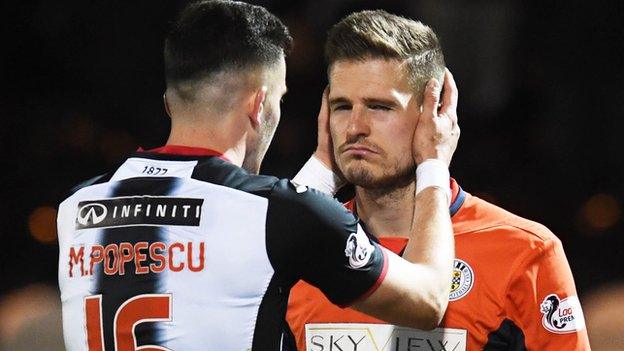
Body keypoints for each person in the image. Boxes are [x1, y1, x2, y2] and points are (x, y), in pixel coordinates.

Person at [56, 1, 460, 350]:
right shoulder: (275, 213)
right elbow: (426, 301)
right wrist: (432, 165)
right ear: (259, 104)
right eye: (279, 99)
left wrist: (322, 166)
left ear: (169, 102)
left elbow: (249, 253)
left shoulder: (75, 207)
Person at [286, 10, 591, 351]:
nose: (355, 127)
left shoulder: (524, 252)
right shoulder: (298, 247)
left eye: (379, 107)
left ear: (436, 114)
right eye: (342, 106)